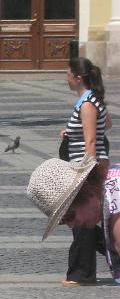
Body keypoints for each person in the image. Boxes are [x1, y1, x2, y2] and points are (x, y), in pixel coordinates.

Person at [58, 56, 112, 285]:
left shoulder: (88, 104)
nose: (66, 77)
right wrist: (71, 134)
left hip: (87, 167)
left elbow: (91, 142)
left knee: (81, 220)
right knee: (84, 220)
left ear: (78, 78)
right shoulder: (91, 100)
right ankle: (108, 257)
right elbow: (106, 124)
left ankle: (81, 274)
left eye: (68, 73)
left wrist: (84, 171)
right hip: (89, 164)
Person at [27, 156, 119, 284]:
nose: (71, 225)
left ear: (86, 192)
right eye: (63, 222)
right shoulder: (111, 189)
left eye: (70, 216)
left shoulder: (115, 202)